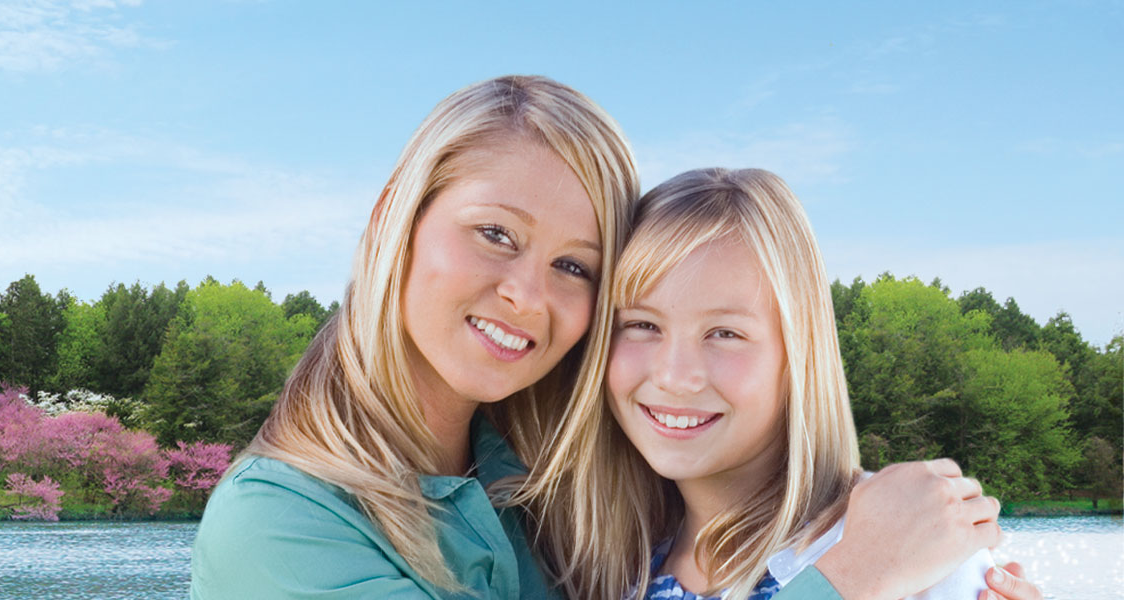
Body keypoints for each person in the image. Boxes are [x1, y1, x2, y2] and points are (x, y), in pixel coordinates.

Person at [189, 76, 1038, 600]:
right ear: (392, 218)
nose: (526, 293)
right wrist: (856, 580)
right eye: (494, 233)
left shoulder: (555, 489)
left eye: (576, 265)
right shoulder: (280, 530)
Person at [536, 167, 998, 600]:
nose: (675, 376)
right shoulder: (606, 566)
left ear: (799, 355)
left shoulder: (913, 544)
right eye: (642, 324)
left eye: (725, 334)